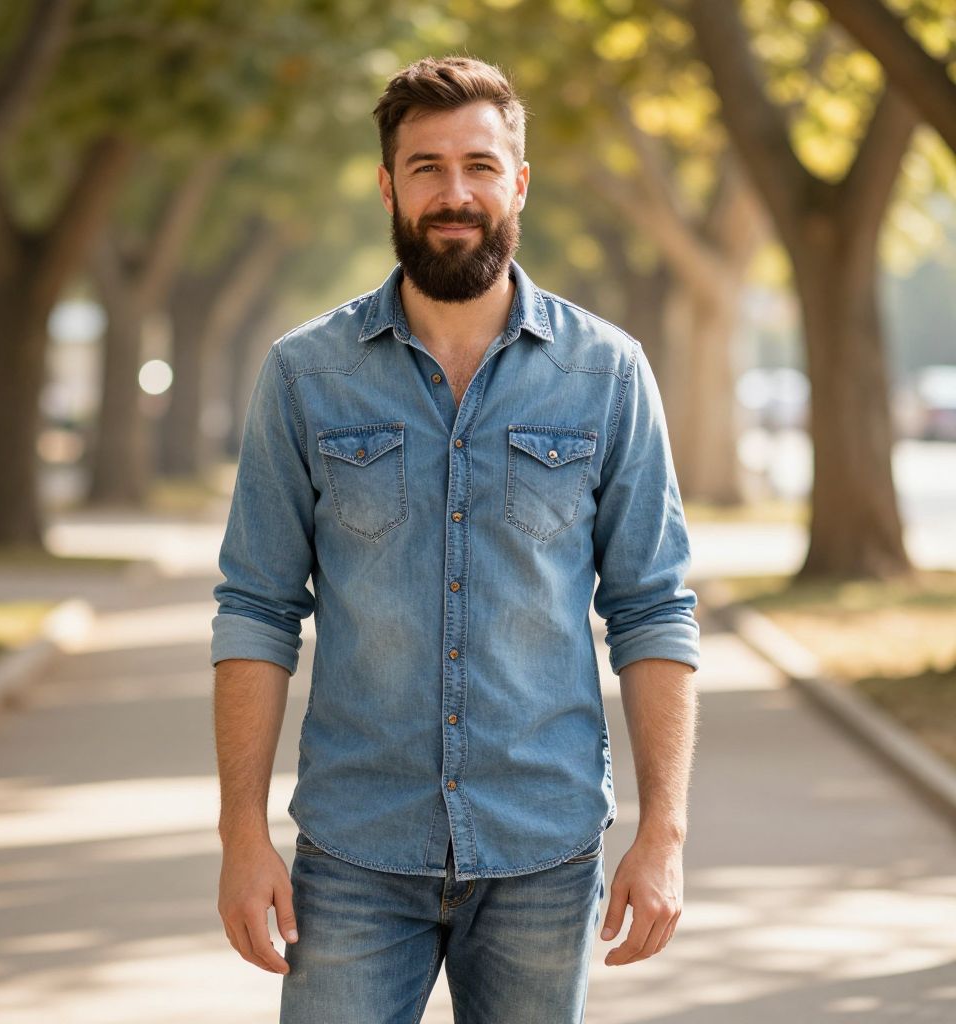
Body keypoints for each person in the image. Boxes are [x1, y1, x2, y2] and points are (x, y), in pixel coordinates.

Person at [212, 55, 700, 1024]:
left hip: (542, 849)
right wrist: (240, 836)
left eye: (479, 164)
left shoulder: (606, 371)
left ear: (518, 181)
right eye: (426, 166)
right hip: (353, 850)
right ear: (387, 185)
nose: (455, 192)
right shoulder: (304, 373)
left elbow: (652, 607)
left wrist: (664, 833)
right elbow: (258, 609)